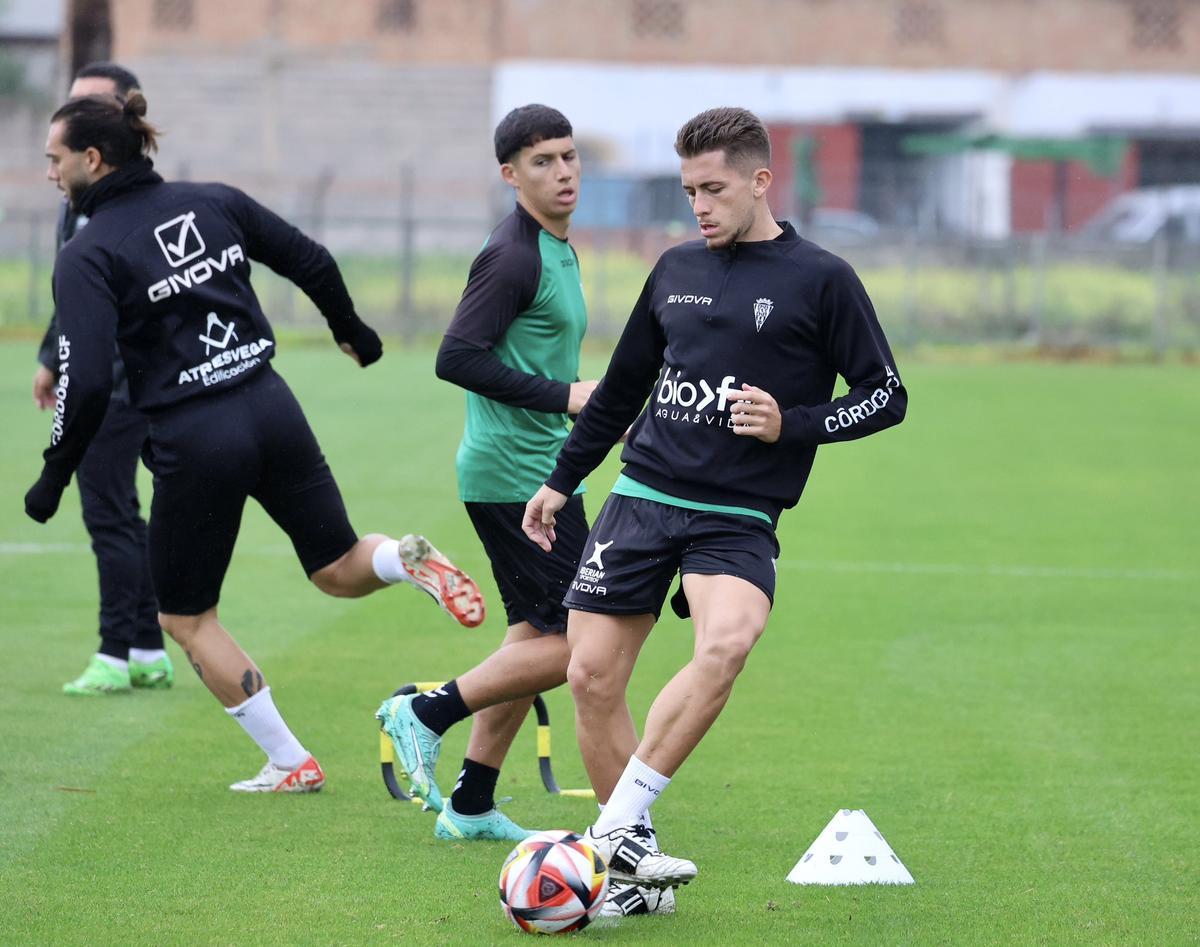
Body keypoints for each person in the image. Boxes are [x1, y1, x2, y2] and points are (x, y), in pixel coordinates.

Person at [25, 92, 486, 792]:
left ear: (92, 159)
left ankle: (290, 760)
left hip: (194, 434)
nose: (50, 174)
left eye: (55, 160)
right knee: (337, 565)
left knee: (184, 614)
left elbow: (85, 383)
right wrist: (351, 330)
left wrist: (52, 475)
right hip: (272, 406)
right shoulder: (214, 200)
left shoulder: (87, 252)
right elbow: (311, 257)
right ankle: (402, 557)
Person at [523, 107, 908, 890]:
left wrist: (792, 423)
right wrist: (562, 480)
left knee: (728, 641)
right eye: (689, 189)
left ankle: (614, 828)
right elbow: (623, 387)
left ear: (761, 180)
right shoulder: (674, 269)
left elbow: (886, 394)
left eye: (714, 188)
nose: (699, 205)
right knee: (590, 678)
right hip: (641, 494)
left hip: (736, 515)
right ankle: (632, 876)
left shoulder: (823, 279)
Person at [32, 63, 172, 696]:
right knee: (124, 516)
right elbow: (72, 294)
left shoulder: (133, 202)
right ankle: (147, 648)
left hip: (117, 384)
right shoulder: (83, 197)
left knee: (110, 517)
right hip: (111, 375)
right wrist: (50, 356)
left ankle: (115, 653)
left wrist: (78, 368)